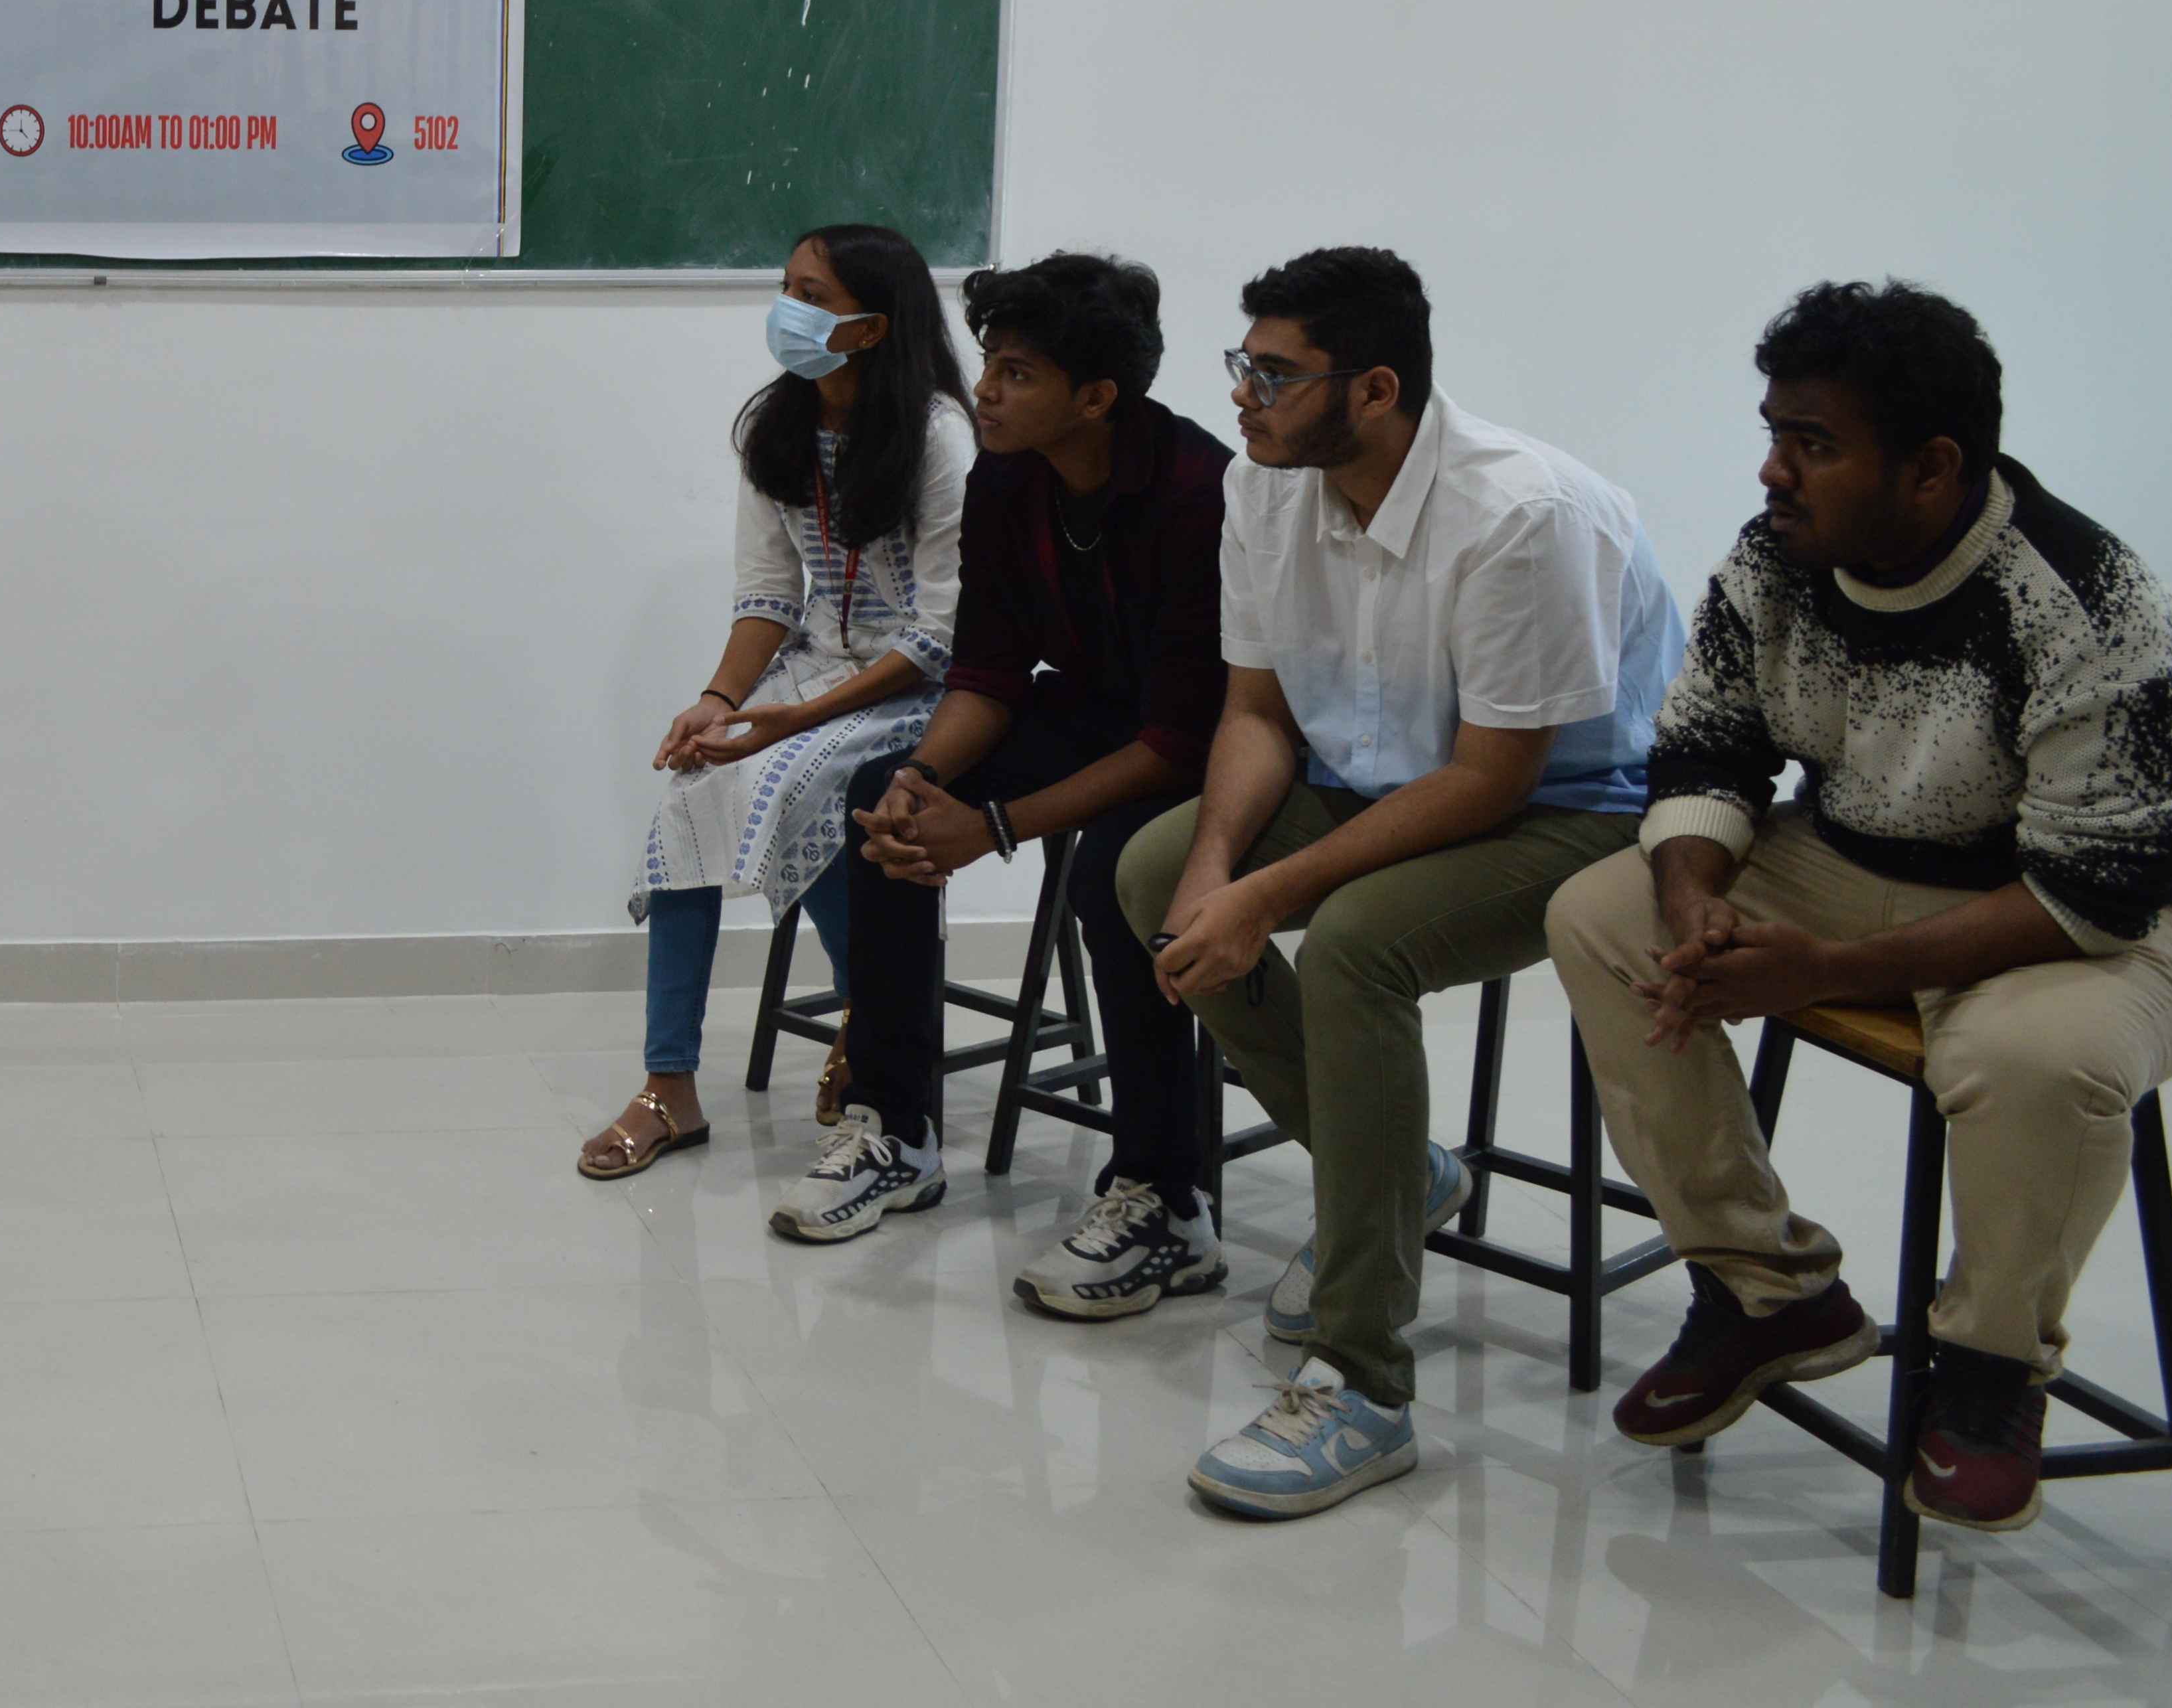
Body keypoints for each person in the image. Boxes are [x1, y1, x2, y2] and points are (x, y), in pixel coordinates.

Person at [1547, 283, 2172, 1530]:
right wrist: (1698, 896)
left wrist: (1820, 970)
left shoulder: (2095, 611)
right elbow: (1708, 750)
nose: (1773, 471)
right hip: (1870, 855)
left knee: (2032, 1057)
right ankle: (1768, 1291)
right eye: (1775, 433)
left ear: (1931, 469)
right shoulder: (1776, 558)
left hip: (2133, 913)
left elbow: (2093, 893)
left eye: (1812, 443)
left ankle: (1989, 1369)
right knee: (1602, 916)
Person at [1113, 246, 1679, 1520]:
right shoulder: (1265, 486)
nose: (1243, 396)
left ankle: (1362, 1384)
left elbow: (1490, 780)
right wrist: (1213, 870)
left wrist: (1265, 898)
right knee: (1153, 873)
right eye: (1243, 365)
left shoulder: (1520, 513)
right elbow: (1258, 712)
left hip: (1577, 811)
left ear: (1376, 390)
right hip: (1387, 779)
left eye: (1275, 374)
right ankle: (1391, 1173)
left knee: (1355, 945)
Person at [783, 254, 1233, 1289]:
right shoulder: (1008, 475)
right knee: (881, 799)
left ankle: (1168, 1199)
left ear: (1096, 397)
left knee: (1116, 875)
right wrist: (924, 779)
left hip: (1206, 749)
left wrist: (991, 829)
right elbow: (987, 672)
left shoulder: (1196, 492)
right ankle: (897, 1131)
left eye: (1017, 373)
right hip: (1090, 713)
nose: (983, 390)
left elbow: (1177, 739)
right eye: (989, 363)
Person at [578, 224, 969, 1180]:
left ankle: (870, 1036)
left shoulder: (939, 438)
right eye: (786, 287)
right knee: (693, 787)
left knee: (807, 784)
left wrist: (794, 722)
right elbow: (767, 596)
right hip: (813, 670)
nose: (788, 311)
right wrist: (719, 701)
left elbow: (941, 633)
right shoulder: (775, 426)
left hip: (922, 688)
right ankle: (668, 1084)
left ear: (874, 327)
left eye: (814, 296)